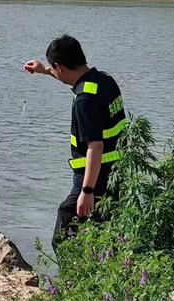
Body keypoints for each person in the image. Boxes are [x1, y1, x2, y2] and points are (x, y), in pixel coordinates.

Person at [24, 35, 125, 252]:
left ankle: (73, 283)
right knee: (105, 236)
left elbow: (95, 147)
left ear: (60, 66)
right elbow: (74, 79)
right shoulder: (104, 81)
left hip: (94, 180)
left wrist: (87, 191)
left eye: (54, 67)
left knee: (63, 236)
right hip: (116, 175)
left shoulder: (85, 101)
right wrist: (44, 70)